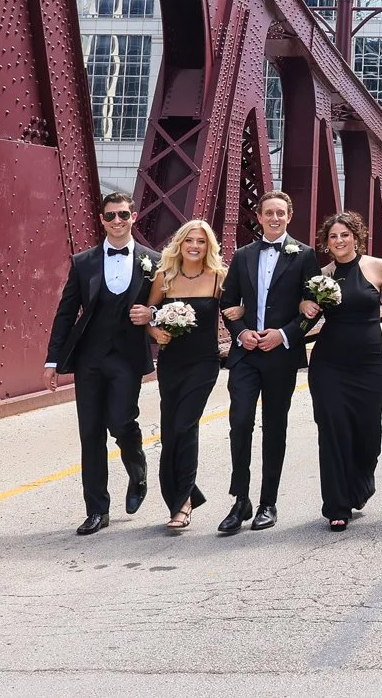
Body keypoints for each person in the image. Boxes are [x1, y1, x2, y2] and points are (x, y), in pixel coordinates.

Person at [44, 191, 155, 535]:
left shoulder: (153, 261)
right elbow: (65, 314)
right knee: (90, 433)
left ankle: (137, 469)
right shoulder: (83, 262)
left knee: (121, 423)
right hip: (90, 358)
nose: (117, 221)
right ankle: (96, 510)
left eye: (123, 215)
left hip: (127, 358)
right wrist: (52, 360)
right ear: (101, 220)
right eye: (110, 216)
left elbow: (174, 304)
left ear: (133, 217)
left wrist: (152, 314)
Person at [216, 191, 318, 534]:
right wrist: (241, 332)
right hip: (245, 353)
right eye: (268, 213)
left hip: (281, 353)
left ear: (289, 216)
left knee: (275, 426)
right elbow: (228, 301)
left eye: (281, 213)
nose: (274, 218)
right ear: (259, 218)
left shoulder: (304, 256)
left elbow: (312, 305)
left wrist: (286, 334)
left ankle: (267, 502)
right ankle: (240, 499)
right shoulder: (243, 255)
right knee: (240, 421)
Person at [303, 211, 382, 531]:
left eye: (345, 235)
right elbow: (305, 321)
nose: (339, 241)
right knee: (333, 432)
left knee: (370, 433)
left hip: (370, 363)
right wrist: (304, 308)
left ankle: (360, 483)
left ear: (356, 236)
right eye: (333, 237)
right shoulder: (321, 275)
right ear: (326, 243)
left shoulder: (378, 267)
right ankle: (336, 504)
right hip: (329, 363)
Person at [144, 218, 226, 530]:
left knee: (185, 426)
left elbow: (237, 306)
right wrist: (155, 332)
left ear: (209, 246)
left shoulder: (219, 277)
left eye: (201, 241)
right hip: (171, 362)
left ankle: (183, 505)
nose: (195, 246)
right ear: (181, 243)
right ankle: (183, 494)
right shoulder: (164, 277)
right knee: (170, 432)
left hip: (204, 363)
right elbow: (148, 313)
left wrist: (242, 317)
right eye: (190, 240)